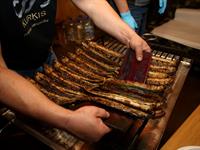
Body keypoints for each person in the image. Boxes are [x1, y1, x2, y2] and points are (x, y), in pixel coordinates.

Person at [0, 0, 151, 142]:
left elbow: (90, 1)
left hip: (46, 59)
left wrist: (130, 36)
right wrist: (67, 120)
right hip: (12, 79)